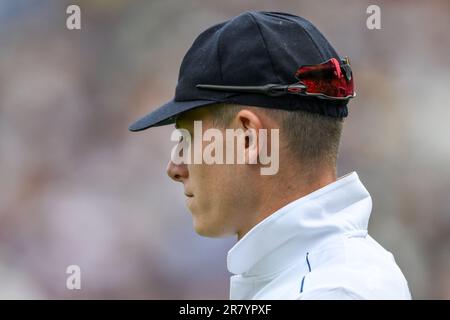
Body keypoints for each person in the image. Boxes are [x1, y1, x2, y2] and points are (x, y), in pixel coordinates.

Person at [129, 11, 411, 299]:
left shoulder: (331, 290)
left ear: (248, 137)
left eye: (188, 139)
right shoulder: (327, 275)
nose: (175, 167)